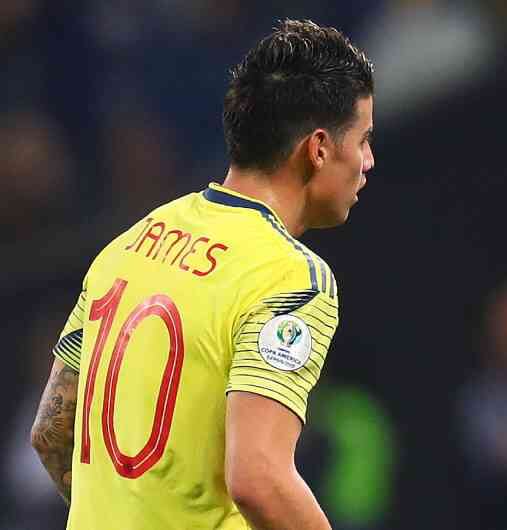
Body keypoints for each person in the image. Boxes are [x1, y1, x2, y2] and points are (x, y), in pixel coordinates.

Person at [29, 19, 374, 529]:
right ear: (318, 148)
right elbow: (258, 479)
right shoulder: (291, 278)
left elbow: (51, 433)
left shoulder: (130, 243)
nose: (368, 161)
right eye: (363, 140)